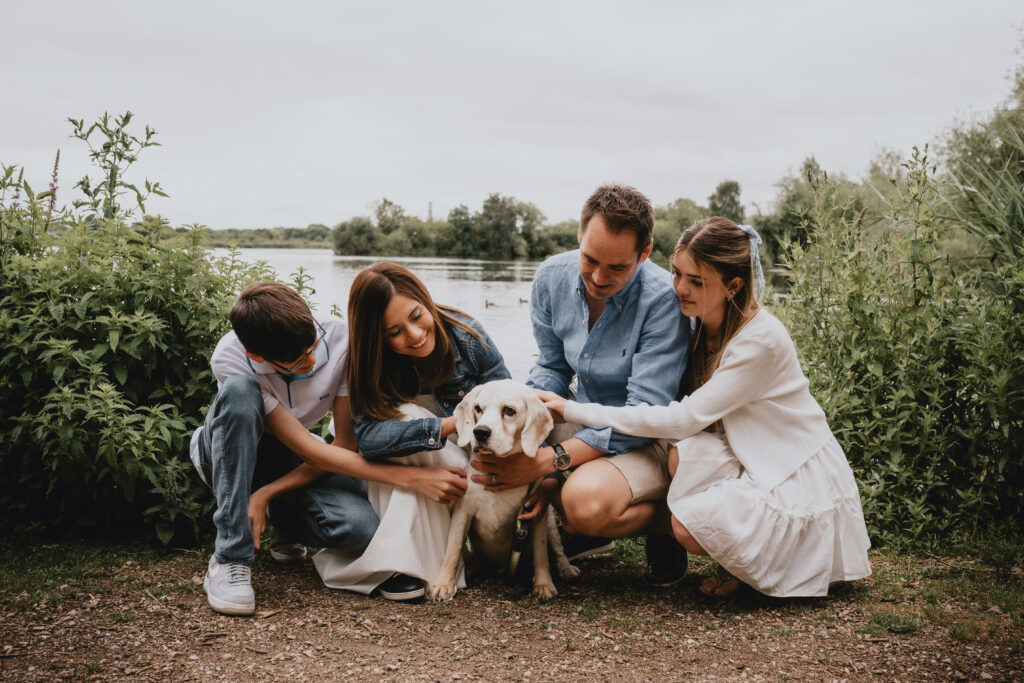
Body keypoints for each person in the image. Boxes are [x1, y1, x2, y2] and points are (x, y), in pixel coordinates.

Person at [539, 218, 872, 597]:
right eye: (677, 273)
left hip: (785, 466)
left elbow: (683, 419)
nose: (679, 288)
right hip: (740, 451)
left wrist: (575, 409)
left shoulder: (758, 342)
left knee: (689, 522)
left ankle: (747, 558)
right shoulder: (696, 323)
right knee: (682, 457)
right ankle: (700, 538)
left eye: (696, 281)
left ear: (733, 286)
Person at [191, 281, 466, 615]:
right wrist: (410, 478)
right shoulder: (231, 357)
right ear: (256, 356)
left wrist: (266, 494)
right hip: (227, 453)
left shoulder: (339, 340)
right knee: (239, 391)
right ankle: (230, 555)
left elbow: (345, 445)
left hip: (292, 459)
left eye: (312, 347)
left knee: (359, 527)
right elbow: (306, 446)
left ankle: (284, 521)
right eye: (295, 362)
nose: (310, 362)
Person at [471, 184, 691, 587]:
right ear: (579, 235)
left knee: (584, 503)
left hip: (651, 435)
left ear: (644, 253)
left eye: (617, 268)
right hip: (583, 414)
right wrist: (521, 423)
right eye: (589, 260)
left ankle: (672, 522)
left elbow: (640, 413)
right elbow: (552, 366)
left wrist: (549, 462)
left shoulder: (663, 300)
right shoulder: (550, 277)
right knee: (504, 442)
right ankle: (579, 529)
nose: (597, 277)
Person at [312, 262, 510, 598]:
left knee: (408, 424)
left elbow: (508, 406)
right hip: (395, 468)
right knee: (404, 418)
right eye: (394, 332)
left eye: (417, 316)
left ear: (424, 299)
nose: (414, 335)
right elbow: (369, 440)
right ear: (377, 337)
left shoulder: (467, 338)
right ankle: (416, 564)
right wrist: (447, 424)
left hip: (464, 464)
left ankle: (406, 565)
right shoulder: (368, 362)